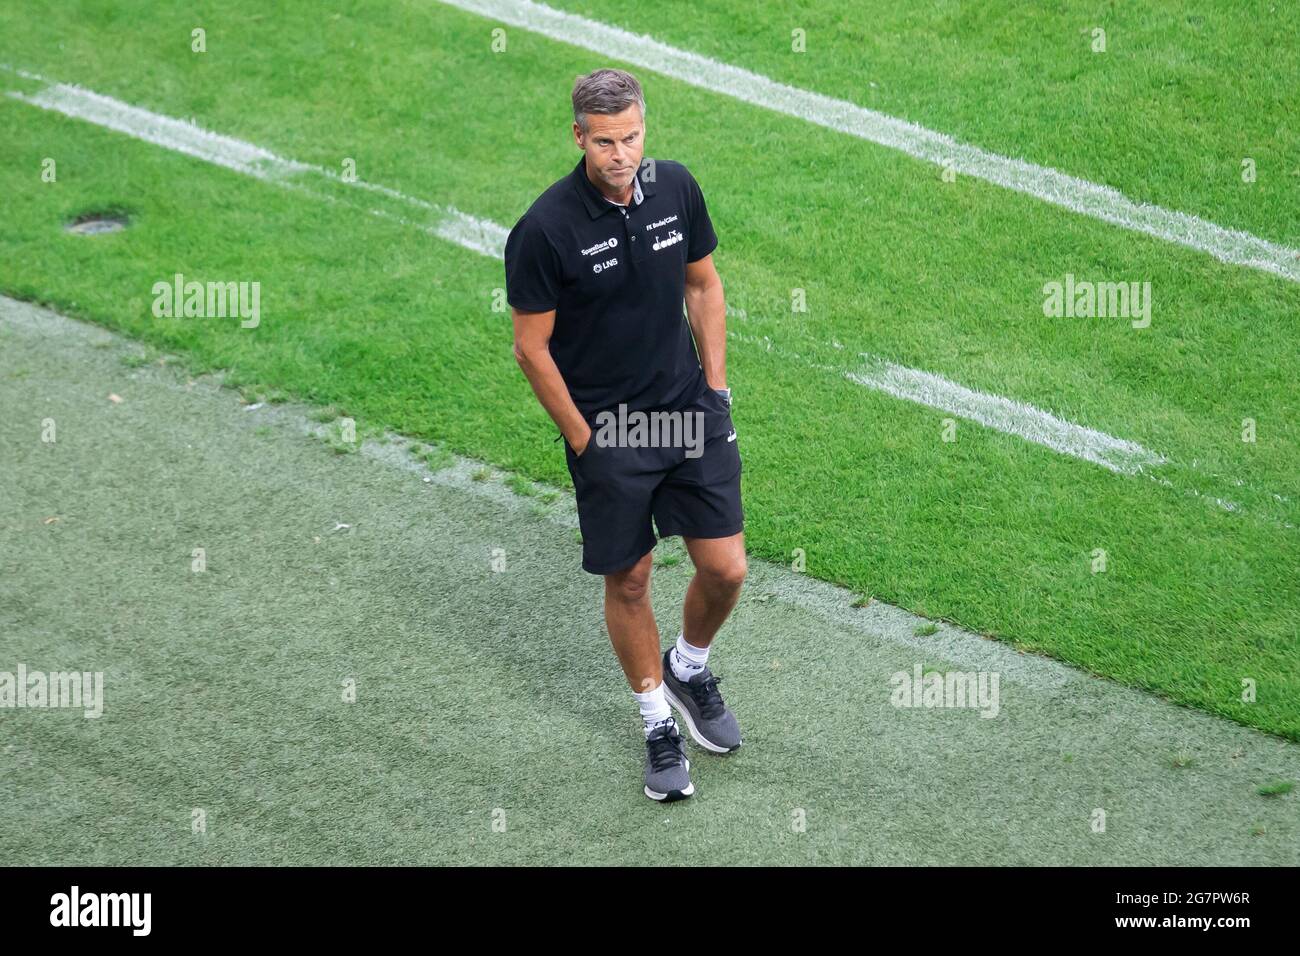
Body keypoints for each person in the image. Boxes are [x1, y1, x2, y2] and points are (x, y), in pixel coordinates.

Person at [505, 68, 746, 801]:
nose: (622, 154)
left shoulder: (674, 188)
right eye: (606, 141)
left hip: (686, 409)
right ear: (578, 137)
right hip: (608, 429)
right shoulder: (545, 230)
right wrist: (583, 438)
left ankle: (690, 667)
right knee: (632, 577)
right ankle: (655, 722)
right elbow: (531, 348)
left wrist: (715, 388)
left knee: (726, 568)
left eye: (633, 137)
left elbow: (702, 285)